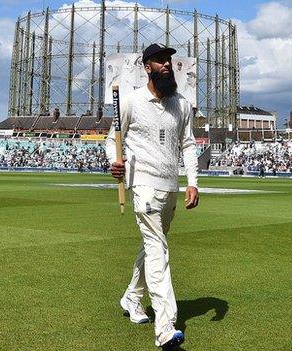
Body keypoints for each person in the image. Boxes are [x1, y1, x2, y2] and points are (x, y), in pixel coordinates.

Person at [105, 43, 199, 351]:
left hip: (170, 186)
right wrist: (114, 162)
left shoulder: (181, 104)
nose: (167, 65)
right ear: (147, 66)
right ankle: (165, 327)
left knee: (151, 248)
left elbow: (187, 145)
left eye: (169, 60)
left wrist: (192, 182)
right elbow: (112, 139)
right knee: (158, 250)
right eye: (160, 61)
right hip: (142, 184)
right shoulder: (132, 101)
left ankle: (133, 297)